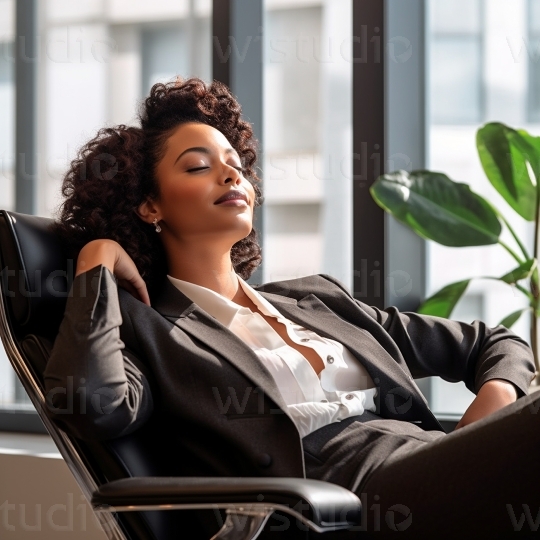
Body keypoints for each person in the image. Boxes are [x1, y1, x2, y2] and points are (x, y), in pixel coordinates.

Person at [44, 77, 539, 539]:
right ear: (150, 205)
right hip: (355, 498)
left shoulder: (316, 300)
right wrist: (97, 261)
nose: (229, 175)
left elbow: (492, 342)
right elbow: (92, 407)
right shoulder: (150, 330)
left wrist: (484, 421)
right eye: (199, 166)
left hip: (438, 463)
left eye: (236, 166)